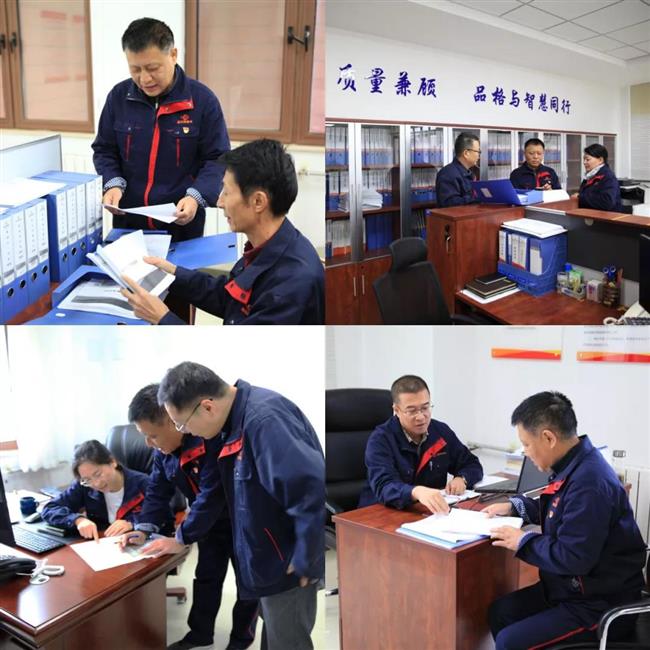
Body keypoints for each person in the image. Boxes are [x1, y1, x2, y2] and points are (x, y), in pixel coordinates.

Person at [156, 362, 324, 650]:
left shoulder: (264, 421)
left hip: (288, 564)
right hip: (269, 559)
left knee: (288, 641)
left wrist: (305, 558)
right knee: (275, 636)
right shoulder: (234, 422)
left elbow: (308, 491)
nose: (185, 431)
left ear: (207, 407)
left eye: (182, 424)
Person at [485, 391, 646, 650]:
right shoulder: (575, 464)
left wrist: (523, 541)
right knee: (501, 612)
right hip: (570, 589)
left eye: (527, 444)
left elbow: (573, 556)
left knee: (509, 642)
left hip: (599, 604)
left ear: (548, 438)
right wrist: (515, 507)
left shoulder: (589, 482)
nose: (525, 452)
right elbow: (560, 508)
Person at [120, 139, 325, 325]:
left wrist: (161, 317)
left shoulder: (289, 287)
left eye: (226, 192)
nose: (219, 202)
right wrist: (172, 273)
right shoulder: (269, 246)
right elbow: (228, 297)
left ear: (258, 201)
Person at [124, 384, 258, 650]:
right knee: (206, 578)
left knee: (247, 585)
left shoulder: (209, 439)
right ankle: (200, 634)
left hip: (241, 522)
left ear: (171, 420)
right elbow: (156, 491)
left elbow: (212, 495)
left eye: (152, 436)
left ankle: (241, 640)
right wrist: (144, 527)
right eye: (145, 437)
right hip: (207, 524)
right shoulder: (163, 452)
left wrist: (181, 538)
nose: (149, 444)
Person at [92, 17, 230, 242]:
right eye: (135, 69)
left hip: (182, 224)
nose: (144, 79)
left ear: (173, 55)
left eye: (152, 68)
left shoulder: (202, 101)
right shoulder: (118, 98)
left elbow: (217, 158)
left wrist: (196, 197)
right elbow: (104, 149)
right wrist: (113, 183)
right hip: (129, 224)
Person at [358, 375, 483, 514]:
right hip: (380, 513)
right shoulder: (381, 440)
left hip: (426, 512)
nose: (421, 417)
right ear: (397, 410)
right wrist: (416, 492)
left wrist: (462, 478)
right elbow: (384, 486)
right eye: (412, 411)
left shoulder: (440, 431)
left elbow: (471, 463)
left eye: (425, 408)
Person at [42, 440, 171, 539]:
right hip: (103, 547)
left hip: (137, 548)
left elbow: (166, 519)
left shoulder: (144, 484)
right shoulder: (84, 486)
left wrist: (132, 523)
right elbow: (49, 508)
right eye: (87, 479)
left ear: (112, 462)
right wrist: (77, 520)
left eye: (98, 474)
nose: (96, 483)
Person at [572, 143, 622, 212]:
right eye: (584, 159)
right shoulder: (590, 176)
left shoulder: (608, 177)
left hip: (606, 217)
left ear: (600, 160)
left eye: (587, 159)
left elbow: (607, 202)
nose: (584, 162)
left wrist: (580, 197)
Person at [435, 132, 480, 207]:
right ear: (466, 153)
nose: (479, 155)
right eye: (478, 151)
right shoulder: (448, 174)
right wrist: (477, 198)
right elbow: (451, 204)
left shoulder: (469, 173)